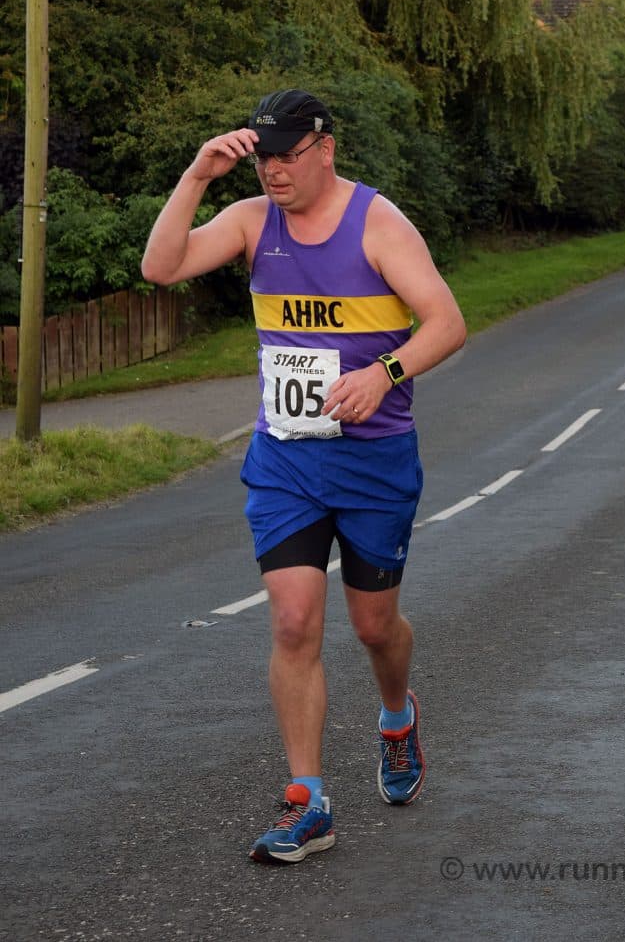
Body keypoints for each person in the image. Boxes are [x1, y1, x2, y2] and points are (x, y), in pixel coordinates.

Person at [141, 88, 466, 864]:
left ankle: (397, 717)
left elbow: (448, 322)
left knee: (374, 626)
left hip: (374, 460)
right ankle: (307, 799)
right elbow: (161, 267)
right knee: (292, 622)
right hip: (286, 457)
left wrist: (385, 372)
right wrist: (197, 176)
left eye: (289, 155)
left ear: (326, 149)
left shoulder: (378, 223)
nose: (274, 171)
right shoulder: (253, 221)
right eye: (264, 158)